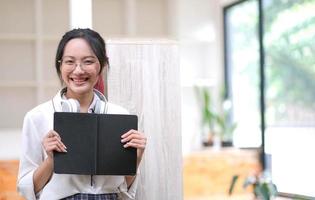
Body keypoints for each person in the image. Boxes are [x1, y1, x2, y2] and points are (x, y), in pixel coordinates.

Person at [17, 28, 146, 200]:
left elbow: (125, 189)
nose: (78, 70)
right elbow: (27, 189)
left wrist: (136, 157)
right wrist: (51, 161)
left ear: (101, 66)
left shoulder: (119, 115)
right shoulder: (37, 117)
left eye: (88, 61)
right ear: (60, 65)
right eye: (70, 61)